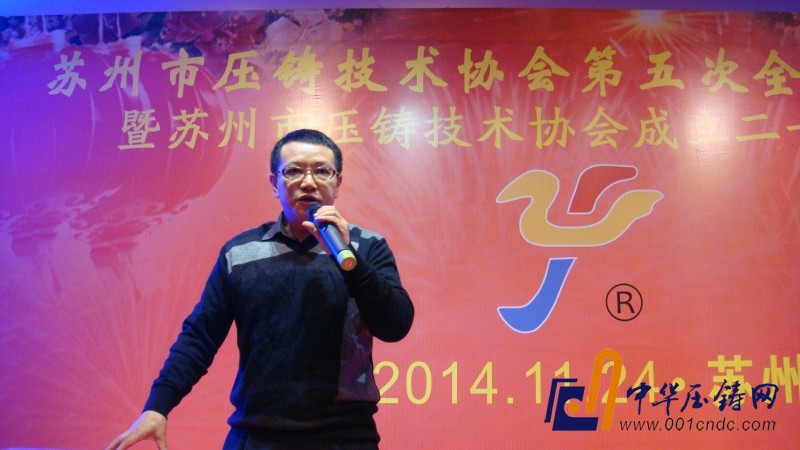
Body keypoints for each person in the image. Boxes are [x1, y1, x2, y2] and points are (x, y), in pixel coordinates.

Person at [107, 129, 414, 449]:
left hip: (346, 437)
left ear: (338, 184)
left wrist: (349, 259)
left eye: (322, 171)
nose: (309, 182)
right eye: (294, 171)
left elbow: (395, 325)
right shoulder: (240, 253)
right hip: (256, 436)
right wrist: (158, 406)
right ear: (274, 183)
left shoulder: (367, 248)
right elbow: (199, 336)